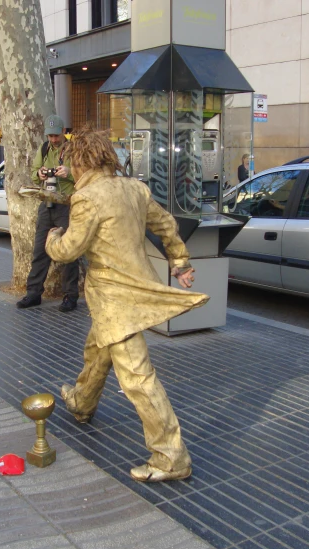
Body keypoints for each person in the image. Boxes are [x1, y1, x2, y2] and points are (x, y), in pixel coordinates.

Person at [46, 126, 208, 483]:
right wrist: (179, 262)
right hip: (130, 291)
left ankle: (171, 456)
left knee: (137, 378)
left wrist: (51, 240)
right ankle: (82, 403)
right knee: (97, 349)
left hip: (113, 297)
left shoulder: (88, 197)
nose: (72, 170)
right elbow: (166, 224)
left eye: (72, 162)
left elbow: (70, 249)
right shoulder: (135, 188)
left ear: (80, 160)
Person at [16, 114, 80, 312]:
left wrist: (69, 173)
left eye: (56, 136)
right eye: (50, 136)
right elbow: (35, 176)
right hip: (47, 203)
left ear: (63, 132)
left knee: (69, 252)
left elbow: (85, 176)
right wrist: (40, 174)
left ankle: (70, 296)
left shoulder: (74, 150)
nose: (53, 140)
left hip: (66, 204)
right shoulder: (44, 149)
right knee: (39, 251)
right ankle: (33, 294)